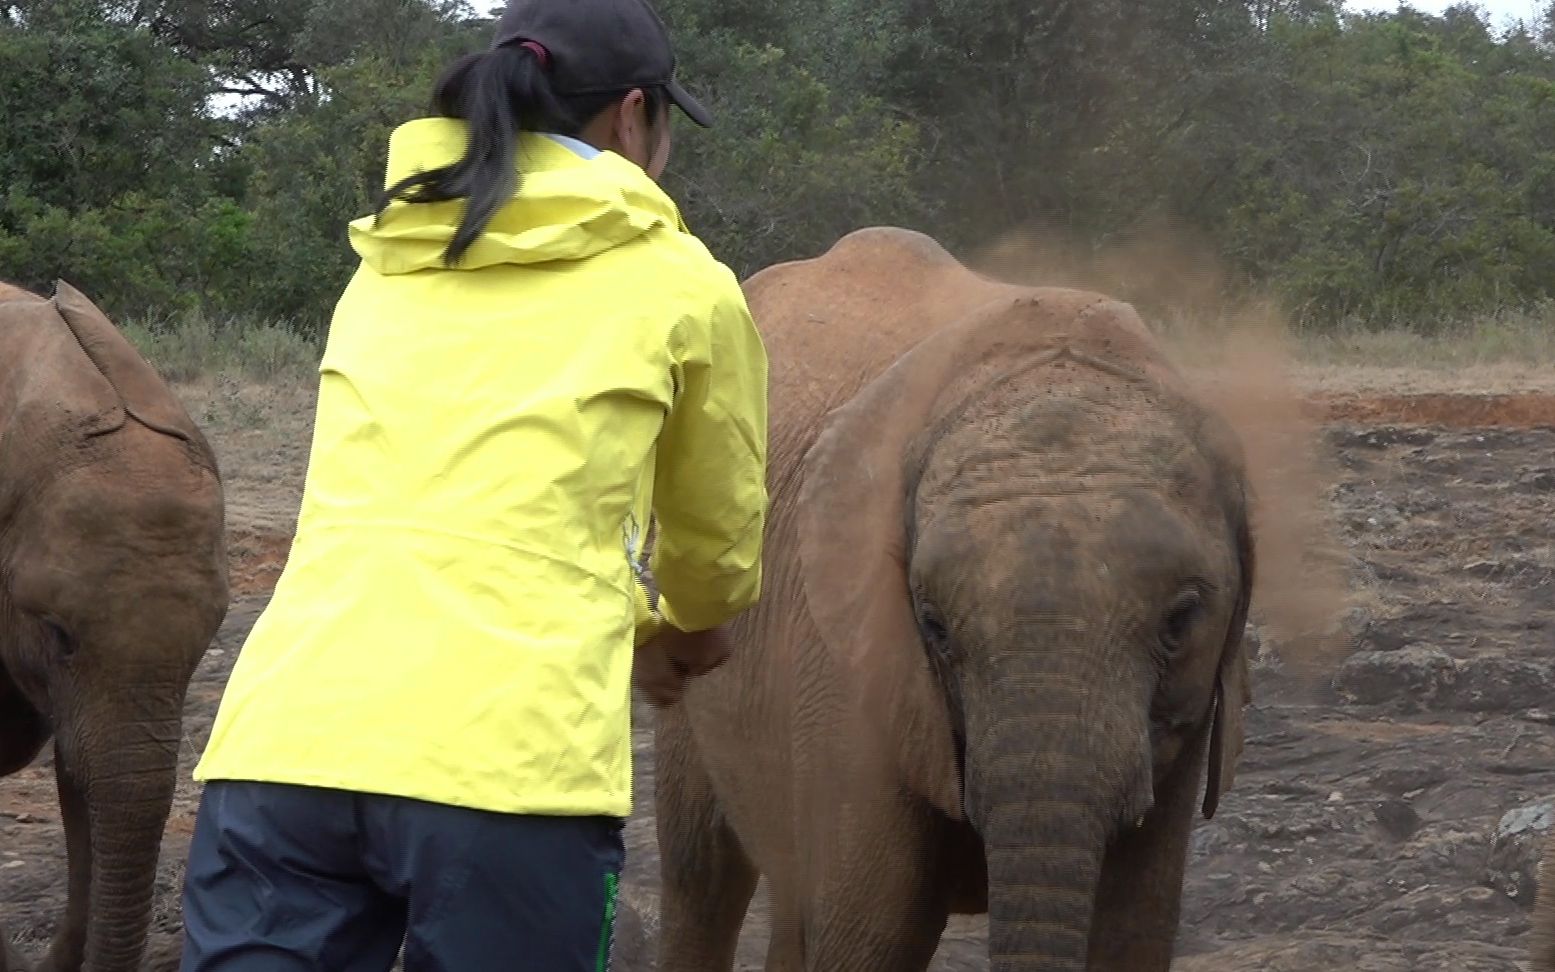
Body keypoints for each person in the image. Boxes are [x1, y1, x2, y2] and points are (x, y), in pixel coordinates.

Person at [178, 0, 768, 968]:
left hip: (282, 749)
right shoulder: (683, 284)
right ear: (632, 117)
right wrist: (688, 630)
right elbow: (715, 531)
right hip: (511, 770)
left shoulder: (383, 262)